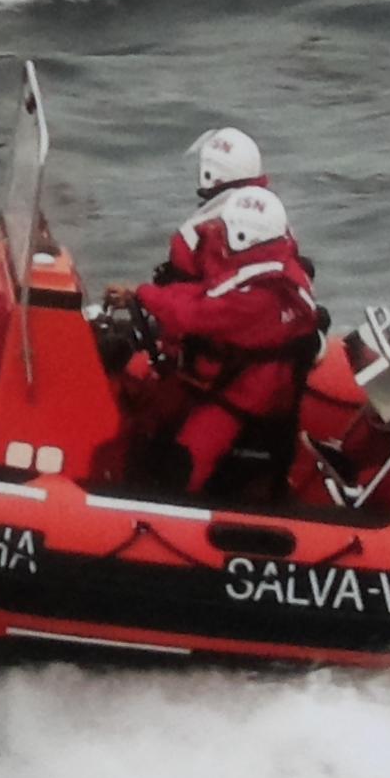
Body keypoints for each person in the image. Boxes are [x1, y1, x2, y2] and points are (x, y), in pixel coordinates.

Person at [93, 128, 326, 501]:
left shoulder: (255, 298)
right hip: (243, 378)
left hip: (240, 394)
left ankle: (166, 506)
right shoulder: (273, 271)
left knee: (180, 467)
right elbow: (204, 295)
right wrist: (142, 296)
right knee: (152, 416)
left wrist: (146, 295)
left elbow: (195, 313)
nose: (220, 235)